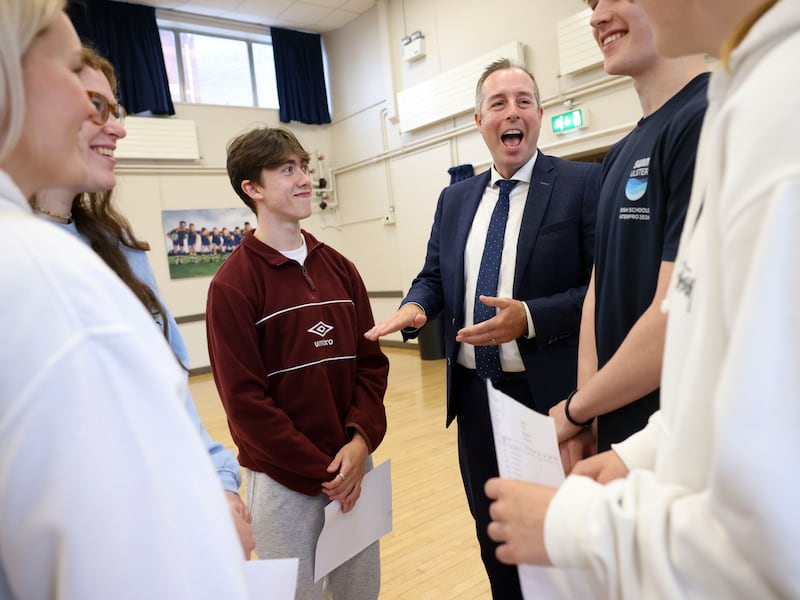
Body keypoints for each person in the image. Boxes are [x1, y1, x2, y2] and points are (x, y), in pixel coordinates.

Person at [485, 0, 800, 597]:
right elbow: (621, 296)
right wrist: (596, 417)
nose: (597, 14)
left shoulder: (751, 112)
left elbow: (772, 531)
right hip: (640, 444)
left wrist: (579, 513)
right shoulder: (725, 105)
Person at [0, 2, 249, 598]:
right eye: (94, 104)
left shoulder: (116, 251)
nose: (115, 124)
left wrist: (219, 481)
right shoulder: (43, 270)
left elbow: (173, 399)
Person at [365, 59, 600, 598]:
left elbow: (599, 290)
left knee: (559, 537)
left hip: (551, 399)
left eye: (523, 101)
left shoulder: (581, 184)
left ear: (540, 115)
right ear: (479, 120)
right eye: (498, 103)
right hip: (475, 398)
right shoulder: (455, 198)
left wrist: (531, 317)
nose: (512, 112)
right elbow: (434, 276)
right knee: (493, 531)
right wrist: (416, 306)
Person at [206, 126, 389, 599]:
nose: (304, 178)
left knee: (359, 594)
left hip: (353, 470)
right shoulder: (232, 286)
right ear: (253, 188)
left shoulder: (342, 269)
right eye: (287, 169)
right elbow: (246, 406)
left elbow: (370, 366)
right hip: (285, 483)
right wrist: (324, 471)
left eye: (303, 166)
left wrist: (360, 440)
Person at [548, 0, 710, 470]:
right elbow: (598, 293)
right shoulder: (618, 154)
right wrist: (588, 409)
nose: (597, 18)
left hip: (680, 444)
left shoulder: (705, 119)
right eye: (593, 4)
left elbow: (676, 317)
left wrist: (577, 408)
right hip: (617, 431)